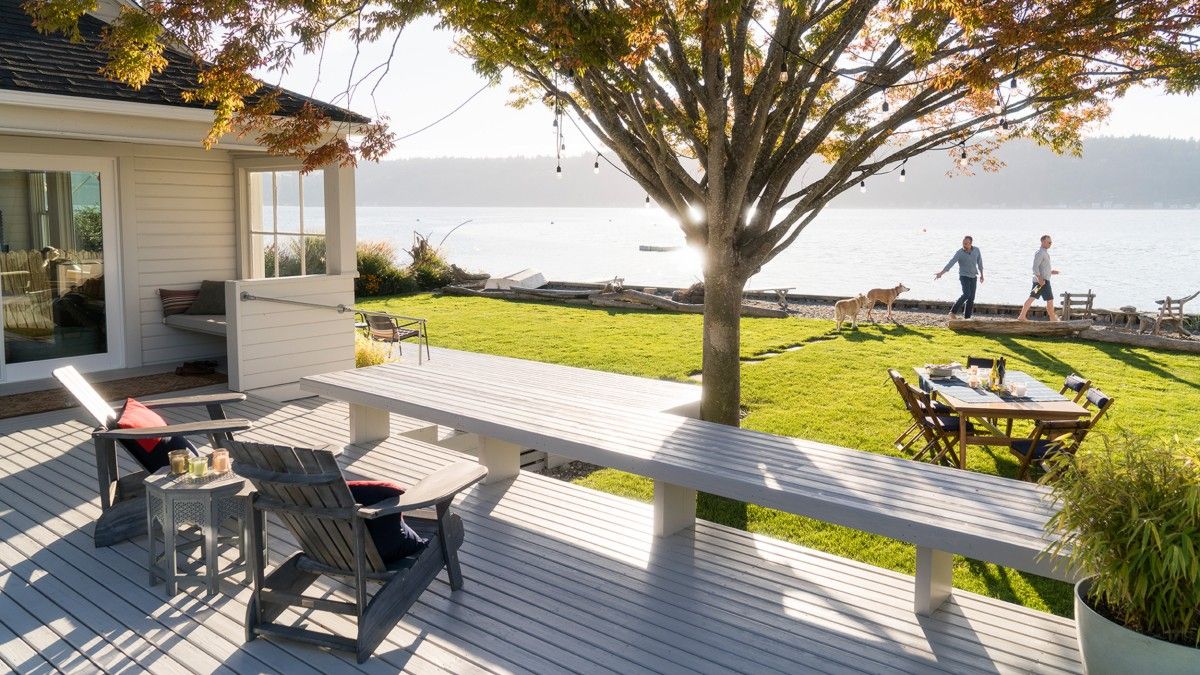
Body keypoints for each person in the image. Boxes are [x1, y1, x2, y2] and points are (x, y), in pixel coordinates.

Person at [934, 235, 983, 319]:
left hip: (973, 276)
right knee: (966, 294)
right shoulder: (960, 252)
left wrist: (982, 274)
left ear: (971, 243)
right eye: (963, 243)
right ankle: (952, 312)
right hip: (964, 276)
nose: (964, 245)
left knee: (971, 298)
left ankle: (967, 318)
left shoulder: (976, 250)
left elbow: (980, 263)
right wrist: (941, 273)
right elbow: (951, 263)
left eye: (966, 244)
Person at [1017, 234, 1059, 321]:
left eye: (1051, 242)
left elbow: (1041, 268)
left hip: (1044, 281)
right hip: (1041, 282)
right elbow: (1035, 267)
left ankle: (1052, 318)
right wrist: (1040, 279)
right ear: (1043, 242)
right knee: (1037, 298)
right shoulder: (1040, 253)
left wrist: (1051, 272)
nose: (1050, 244)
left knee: (1048, 300)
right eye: (1049, 242)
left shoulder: (1044, 252)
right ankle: (1022, 316)